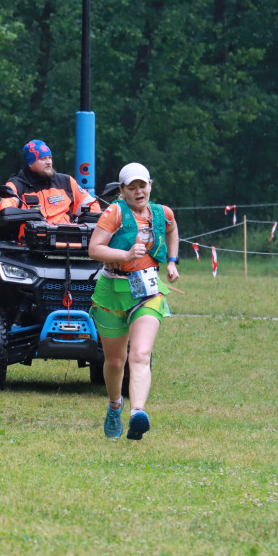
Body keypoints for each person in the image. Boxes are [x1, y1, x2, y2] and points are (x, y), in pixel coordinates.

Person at [87, 162, 179, 441]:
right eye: (132, 187)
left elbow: (173, 232)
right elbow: (94, 249)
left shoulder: (163, 213)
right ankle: (115, 405)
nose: (139, 191)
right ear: (123, 191)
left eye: (143, 185)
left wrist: (172, 262)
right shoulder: (114, 213)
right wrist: (125, 255)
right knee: (116, 361)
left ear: (150, 185)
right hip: (112, 291)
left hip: (148, 290)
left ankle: (137, 413)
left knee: (140, 354)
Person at [0, 139, 100, 224]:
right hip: (30, 243)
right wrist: (32, 215)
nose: (48, 162)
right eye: (43, 159)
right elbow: (6, 210)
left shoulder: (66, 181)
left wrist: (84, 224)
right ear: (30, 163)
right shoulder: (16, 185)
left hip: (67, 239)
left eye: (50, 158)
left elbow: (92, 206)